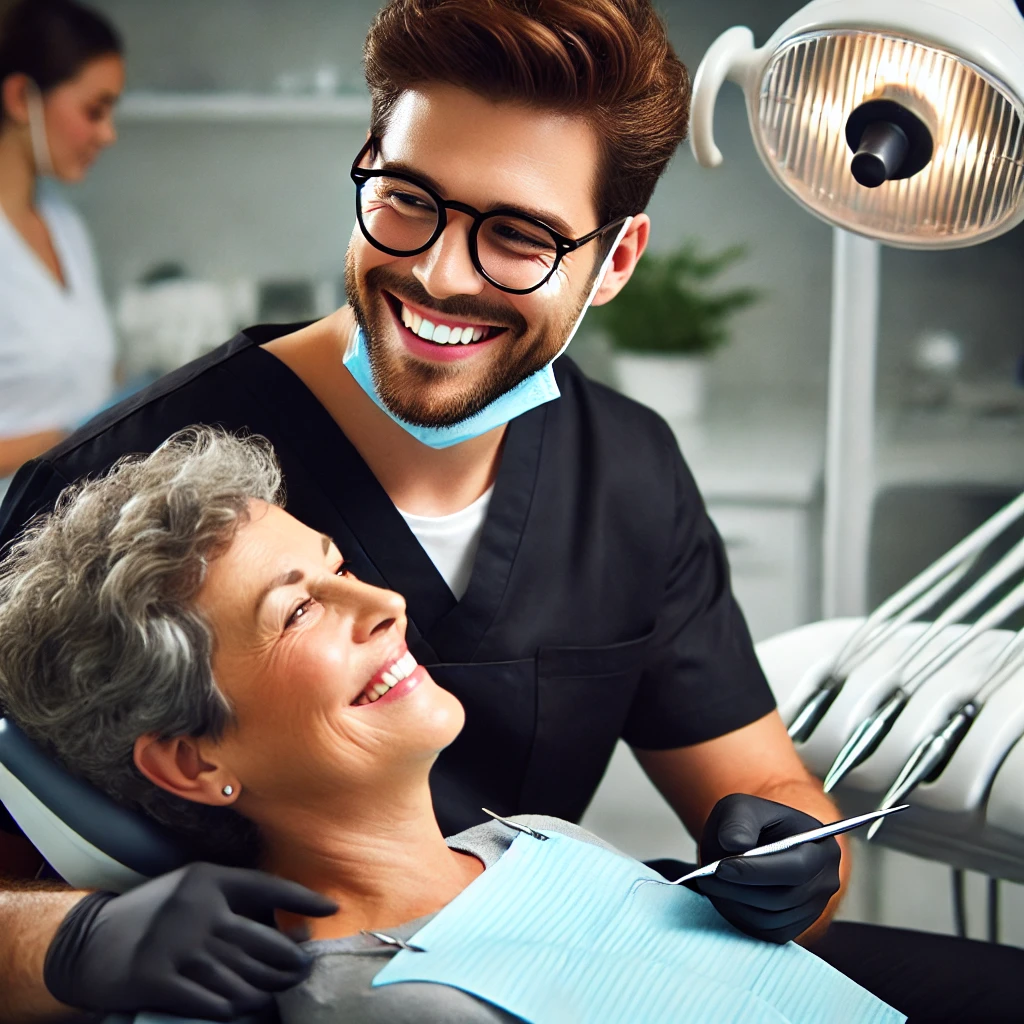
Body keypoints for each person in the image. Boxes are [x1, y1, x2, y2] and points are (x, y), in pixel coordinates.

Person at [0, 1, 1017, 1021]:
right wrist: (74, 943)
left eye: (519, 235)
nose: (439, 272)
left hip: (581, 949)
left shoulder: (625, 471)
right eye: (407, 200)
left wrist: (797, 867)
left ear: (614, 260)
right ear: (367, 163)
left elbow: (778, 800)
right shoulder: (115, 499)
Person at [0, 426, 891, 1023]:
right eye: (297, 612)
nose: (386, 603)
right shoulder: (391, 998)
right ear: (194, 761)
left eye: (338, 566)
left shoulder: (529, 841)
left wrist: (794, 864)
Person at [0, 0, 121, 498]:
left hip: (69, 534)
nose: (108, 134)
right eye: (94, 110)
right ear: (19, 97)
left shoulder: (67, 230)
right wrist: (66, 440)